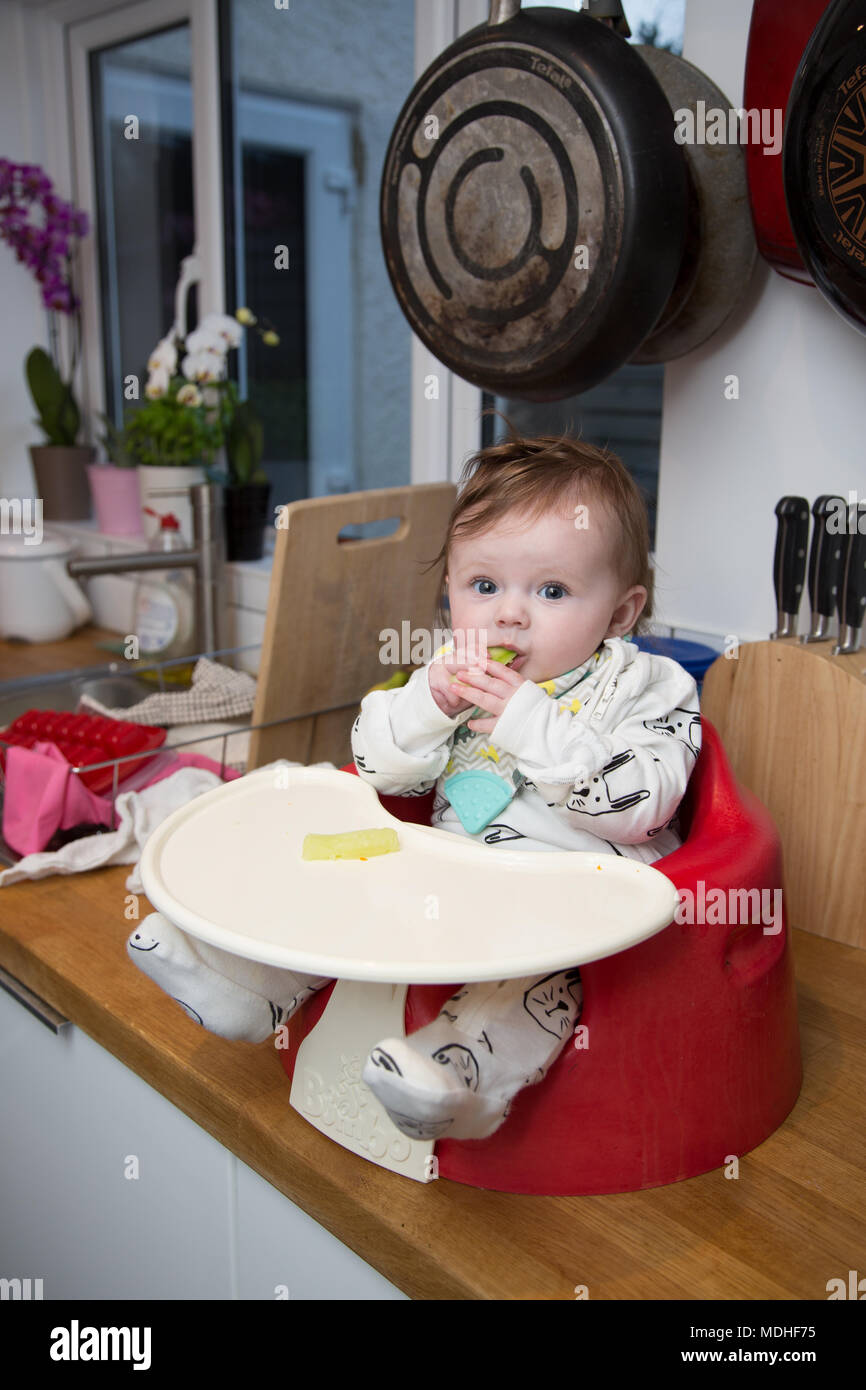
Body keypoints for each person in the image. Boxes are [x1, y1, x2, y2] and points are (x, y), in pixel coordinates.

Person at [351, 429, 701, 1141]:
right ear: (451, 594)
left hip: (575, 903)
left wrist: (528, 722)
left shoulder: (647, 685)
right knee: (348, 891)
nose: (508, 613)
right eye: (483, 586)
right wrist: (429, 707)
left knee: (532, 984)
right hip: (452, 880)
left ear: (621, 612)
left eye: (551, 590)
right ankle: (248, 979)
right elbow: (377, 766)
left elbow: (644, 803)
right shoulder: (451, 672)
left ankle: (459, 1081)